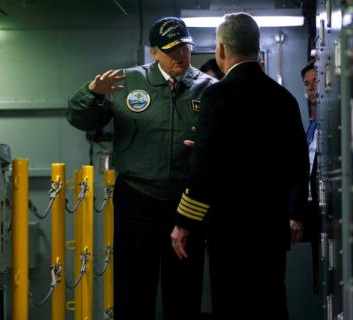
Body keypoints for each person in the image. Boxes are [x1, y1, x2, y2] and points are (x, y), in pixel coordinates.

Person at [67, 16, 215, 319]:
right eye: (171, 49)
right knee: (133, 292)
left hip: (187, 205)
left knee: (184, 292)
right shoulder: (126, 82)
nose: (180, 55)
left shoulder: (208, 88)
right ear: (154, 53)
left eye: (185, 47)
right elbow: (82, 119)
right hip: (137, 200)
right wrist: (92, 94)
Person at [170, 12, 309, 319]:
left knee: (232, 304)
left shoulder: (217, 95)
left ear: (220, 50)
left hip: (230, 229)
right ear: (256, 48)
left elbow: (204, 168)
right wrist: (296, 215)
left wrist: (184, 222)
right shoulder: (284, 98)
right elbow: (299, 161)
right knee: (271, 301)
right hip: (272, 226)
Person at [300, 61, 321, 292]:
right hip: (312, 207)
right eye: (307, 84)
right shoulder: (314, 124)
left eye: (316, 81)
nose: (311, 88)